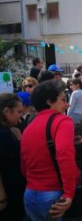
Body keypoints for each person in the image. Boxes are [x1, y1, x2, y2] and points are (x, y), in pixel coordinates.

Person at [21, 80, 79, 220]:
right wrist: (69, 193)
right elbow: (64, 155)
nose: (67, 104)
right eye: (63, 100)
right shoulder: (62, 121)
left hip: (30, 194)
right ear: (49, 101)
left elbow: (24, 164)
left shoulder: (29, 125)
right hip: (53, 195)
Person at [0, 93, 26, 221]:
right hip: (8, 193)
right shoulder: (3, 134)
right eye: (18, 111)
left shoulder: (9, 130)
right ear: (6, 111)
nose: (21, 115)